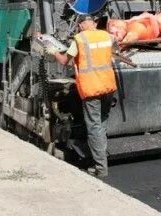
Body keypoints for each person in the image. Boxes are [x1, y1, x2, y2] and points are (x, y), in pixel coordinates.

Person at [50, 16, 118, 177]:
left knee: (94, 127)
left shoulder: (79, 40)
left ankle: (101, 168)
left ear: (80, 25)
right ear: (94, 23)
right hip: (108, 87)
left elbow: (65, 61)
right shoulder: (107, 36)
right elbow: (115, 48)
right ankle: (101, 158)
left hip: (91, 88)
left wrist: (53, 52)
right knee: (101, 124)